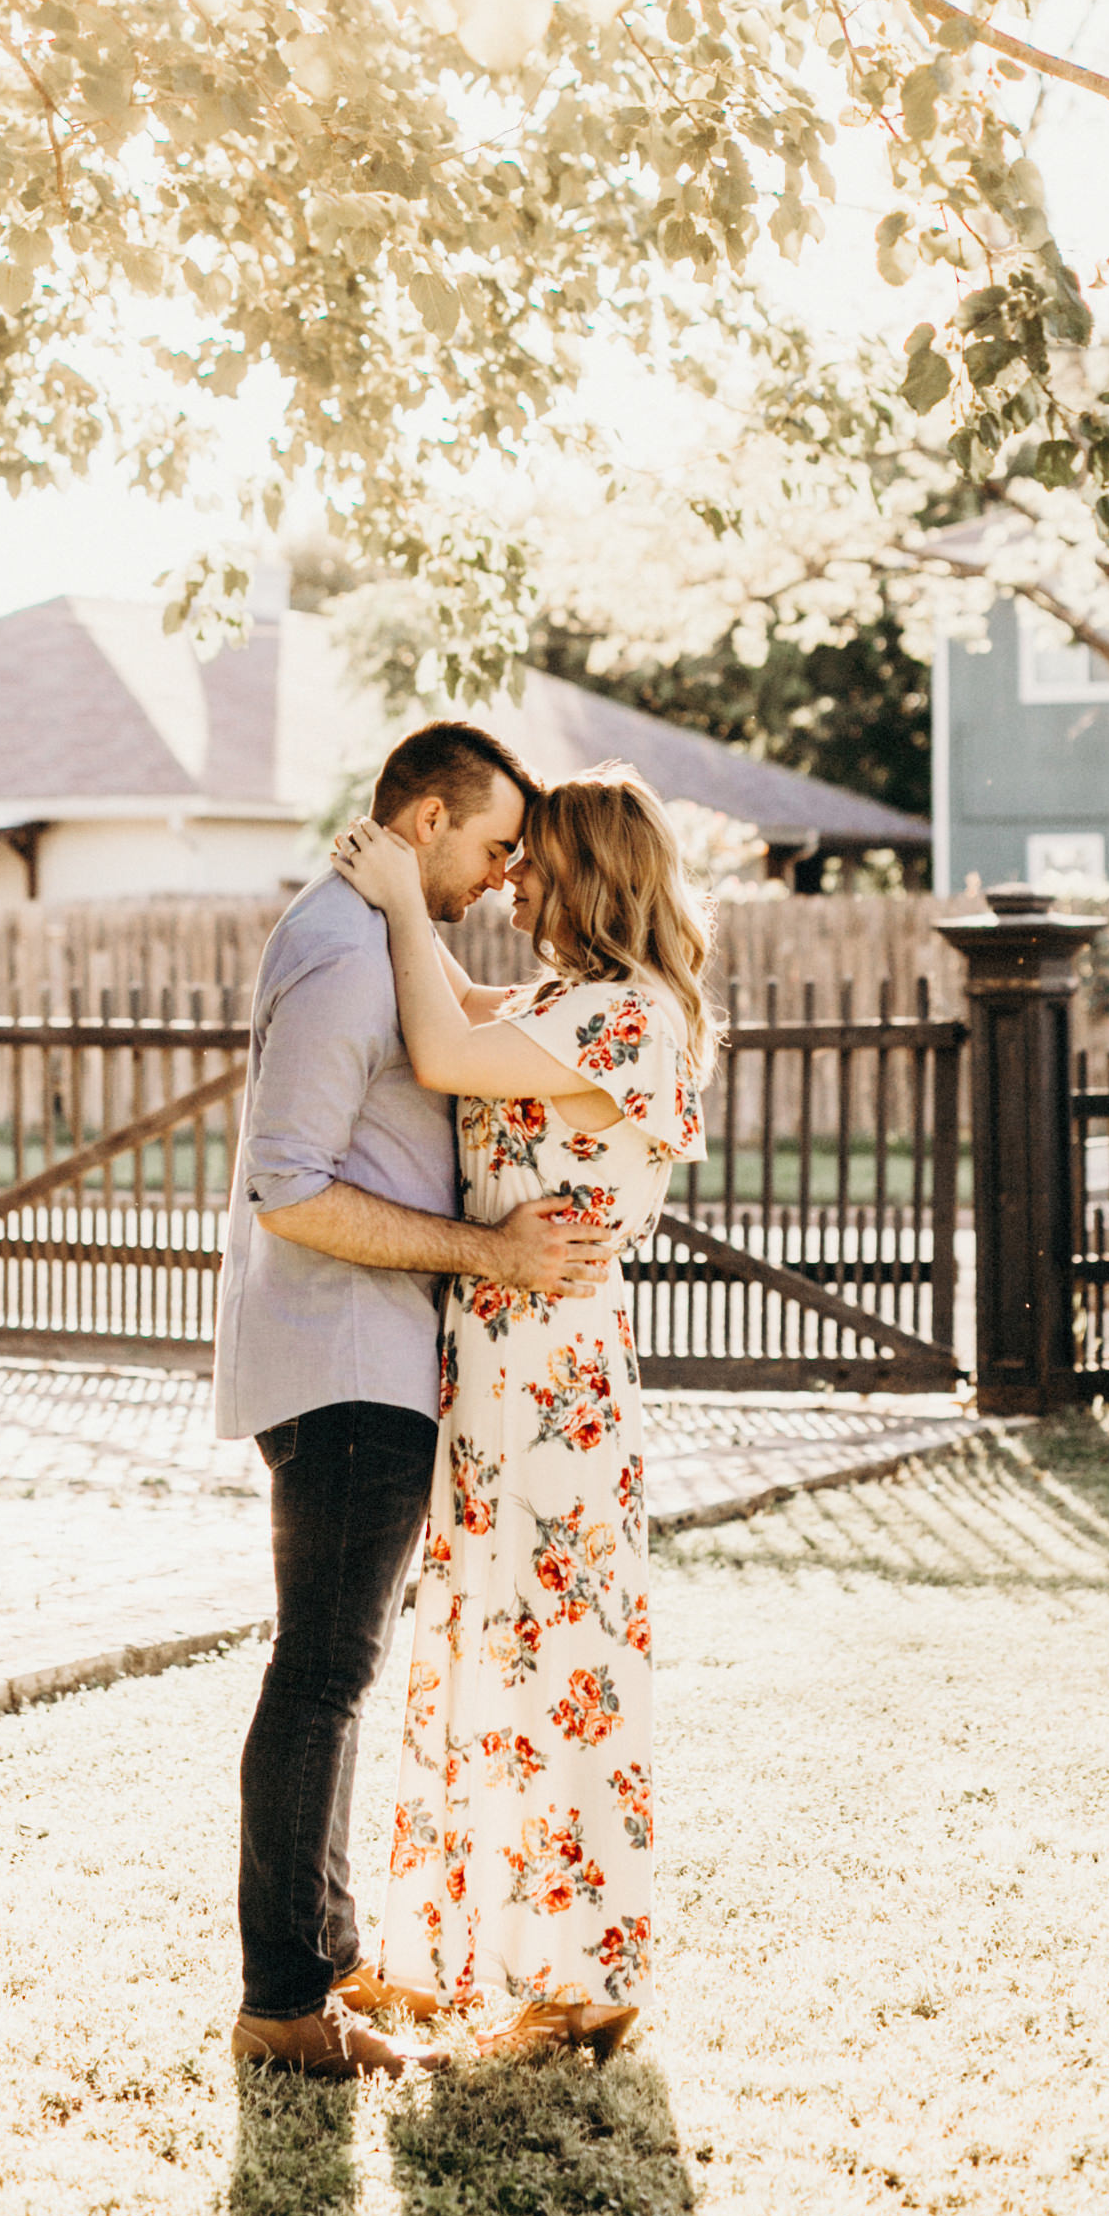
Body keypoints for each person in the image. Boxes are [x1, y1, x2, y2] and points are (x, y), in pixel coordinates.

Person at [218, 720, 621, 2082]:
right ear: (430, 818)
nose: (508, 878)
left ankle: (323, 1958)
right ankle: (283, 2003)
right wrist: (494, 1255)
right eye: (498, 845)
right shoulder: (342, 952)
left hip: (372, 1360)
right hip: (345, 1363)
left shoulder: (369, 925)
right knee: (321, 1675)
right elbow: (291, 1184)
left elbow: (462, 1019)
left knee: (334, 1669)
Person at [330, 761, 716, 2066]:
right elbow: (453, 1019)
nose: (514, 886)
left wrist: (398, 897)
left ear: (594, 876)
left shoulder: (630, 1019)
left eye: (535, 865)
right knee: (485, 1643)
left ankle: (582, 1986)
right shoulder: (565, 1002)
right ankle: (449, 1954)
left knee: (563, 1668)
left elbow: (441, 1044)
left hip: (555, 1381)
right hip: (493, 1368)